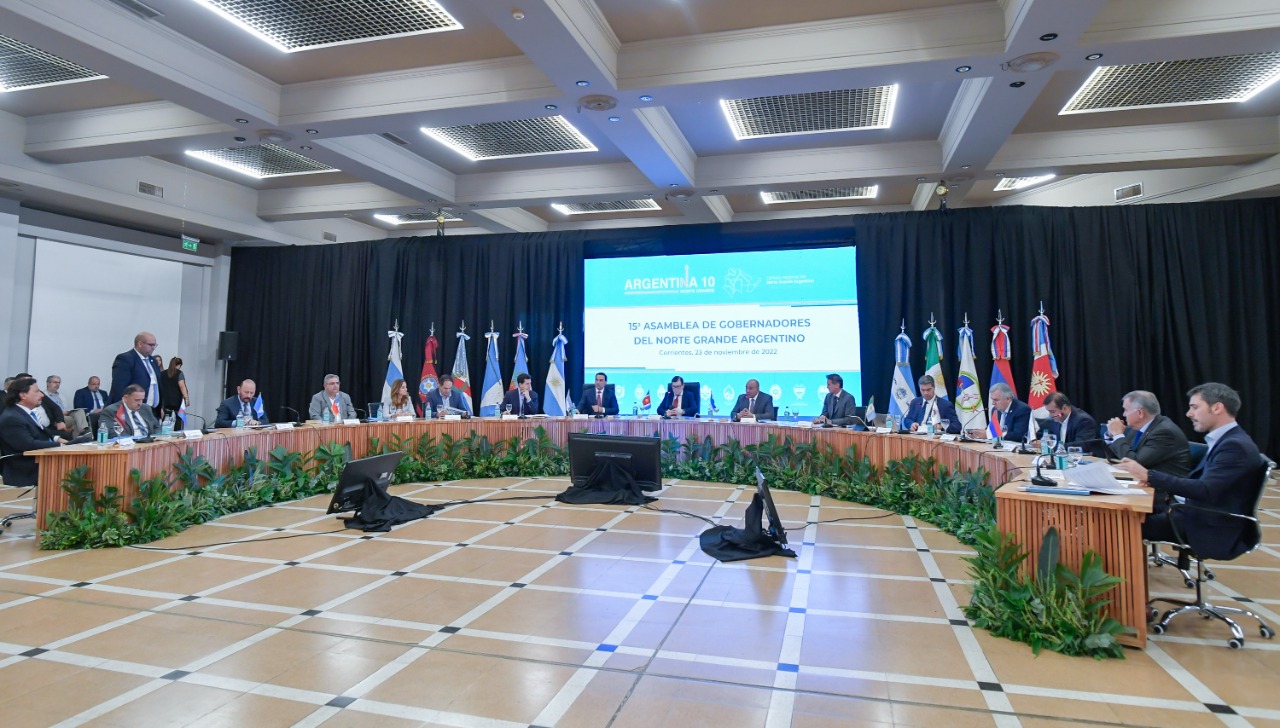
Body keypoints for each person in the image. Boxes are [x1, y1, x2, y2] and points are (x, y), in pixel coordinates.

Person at [1116, 383, 1263, 558]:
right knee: (1120, 517)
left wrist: (1150, 475)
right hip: (1192, 513)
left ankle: (1121, 574)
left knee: (1117, 525)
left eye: (1195, 407)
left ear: (1217, 408)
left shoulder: (1235, 446)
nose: (1189, 414)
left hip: (1207, 526)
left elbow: (1205, 490)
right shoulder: (1229, 440)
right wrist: (1154, 480)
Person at [1105, 390, 1190, 477]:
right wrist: (1112, 435)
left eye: (1126, 410)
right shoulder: (1136, 428)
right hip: (1140, 480)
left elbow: (1134, 463)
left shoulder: (1164, 432)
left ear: (1140, 413)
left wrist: (1118, 435)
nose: (1124, 414)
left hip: (1162, 484)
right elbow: (1117, 456)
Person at [0, 377, 65, 486]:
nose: (42, 395)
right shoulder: (11, 417)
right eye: (37, 391)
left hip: (42, 459)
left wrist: (57, 439)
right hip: (27, 467)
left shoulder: (25, 413)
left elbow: (40, 432)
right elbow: (28, 445)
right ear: (23, 395)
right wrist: (60, 445)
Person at [108, 331, 161, 408]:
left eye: (154, 345)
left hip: (153, 410)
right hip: (133, 408)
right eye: (151, 345)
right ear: (140, 344)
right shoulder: (125, 359)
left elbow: (158, 385)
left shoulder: (153, 361)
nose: (153, 348)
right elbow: (119, 387)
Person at [160, 357, 190, 428]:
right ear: (179, 365)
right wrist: (186, 399)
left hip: (165, 400)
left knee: (165, 419)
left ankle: (164, 432)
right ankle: (178, 432)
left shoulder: (162, 373)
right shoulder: (179, 373)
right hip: (177, 400)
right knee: (179, 418)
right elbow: (182, 386)